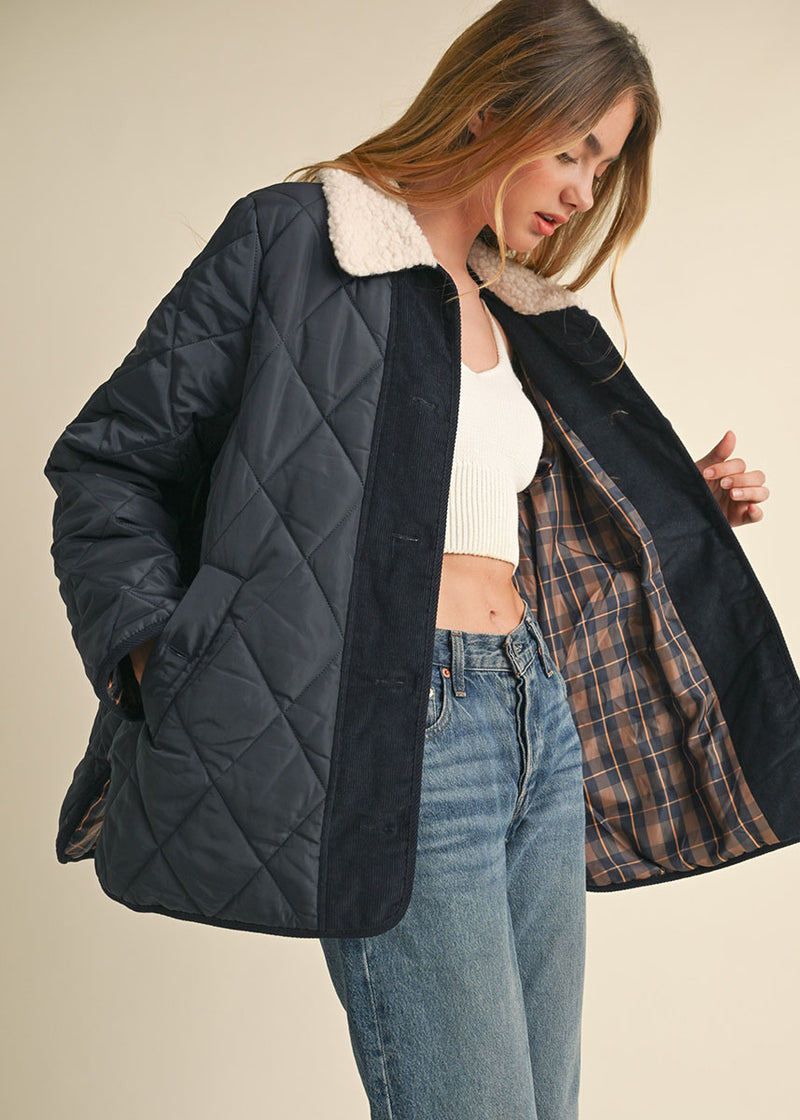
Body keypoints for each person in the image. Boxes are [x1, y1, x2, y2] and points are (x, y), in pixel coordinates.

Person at [44, 2, 793, 1119]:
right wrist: (160, 659)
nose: (585, 192)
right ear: (492, 106)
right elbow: (108, 465)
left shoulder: (517, 308)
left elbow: (468, 503)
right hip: (402, 724)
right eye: (575, 150)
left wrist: (671, 503)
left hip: (536, 716)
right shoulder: (298, 241)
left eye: (604, 168)